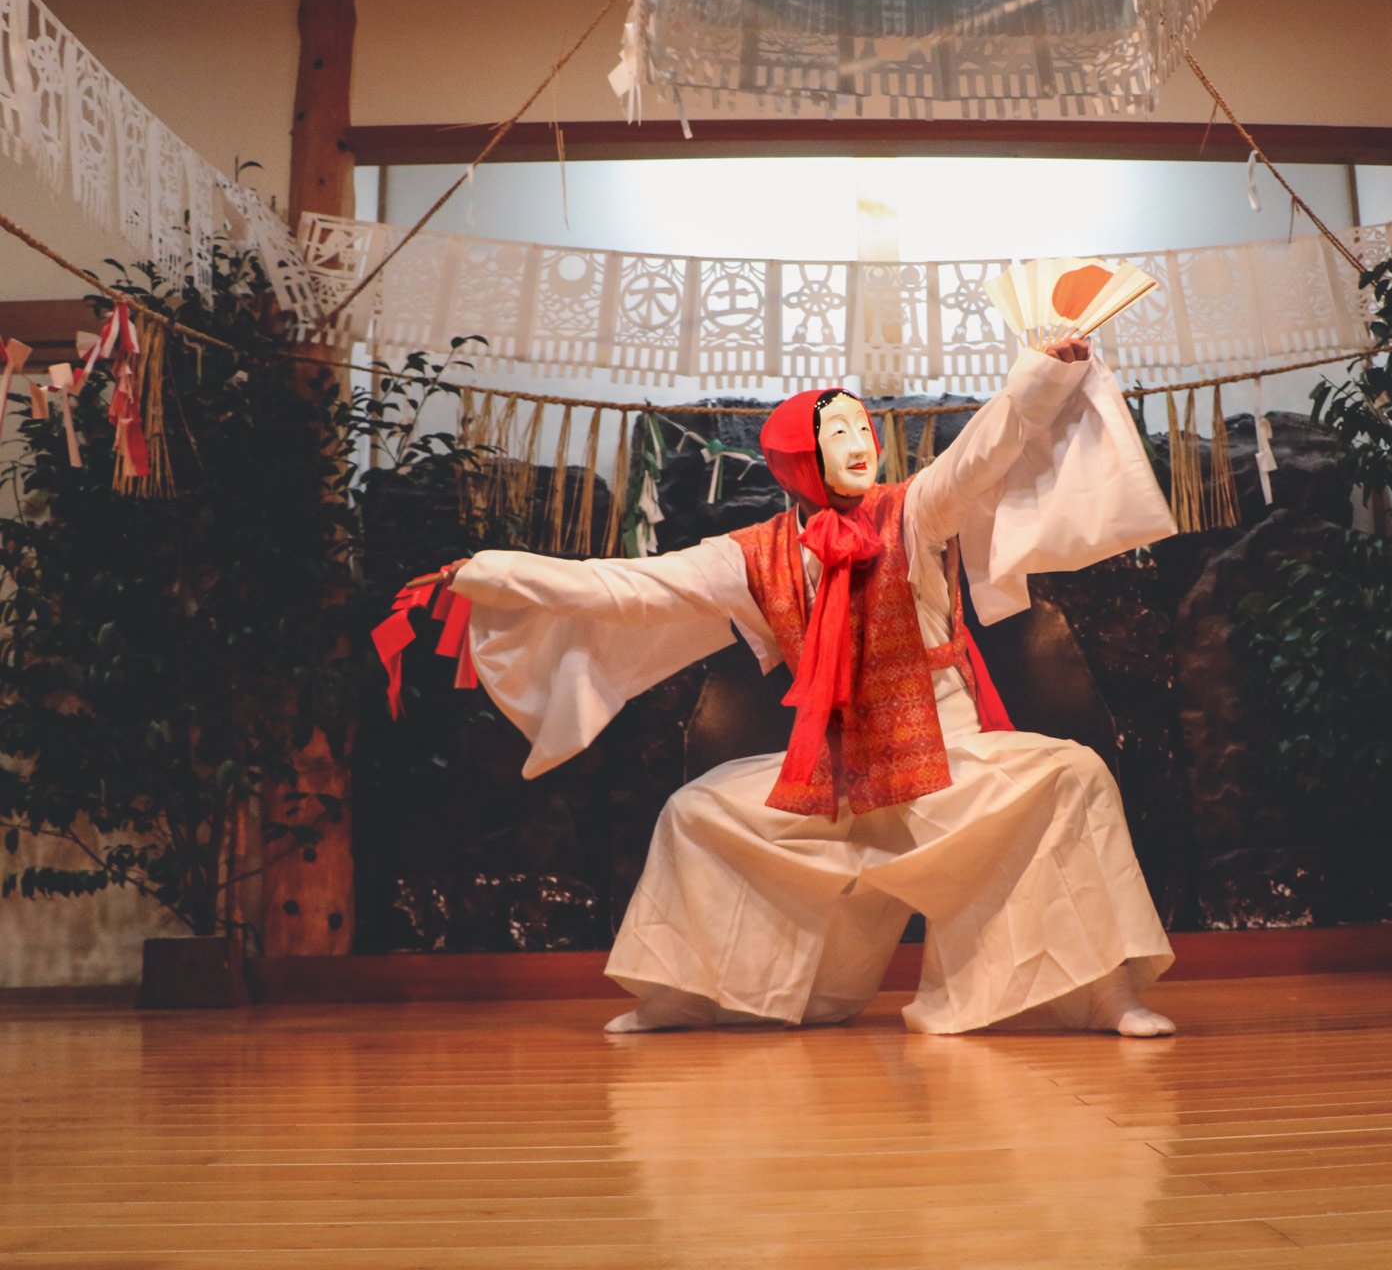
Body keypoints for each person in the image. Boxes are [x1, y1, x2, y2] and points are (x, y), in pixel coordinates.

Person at [427, 338, 1178, 1036]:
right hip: (833, 777)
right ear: (797, 460)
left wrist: (1041, 374)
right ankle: (689, 995)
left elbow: (979, 458)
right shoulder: (753, 556)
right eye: (838, 433)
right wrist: (489, 572)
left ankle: (1103, 994)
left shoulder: (912, 514)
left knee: (1071, 776)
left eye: (862, 429)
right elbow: (626, 587)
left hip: (942, 766)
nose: (859, 445)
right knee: (698, 813)